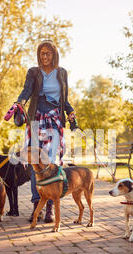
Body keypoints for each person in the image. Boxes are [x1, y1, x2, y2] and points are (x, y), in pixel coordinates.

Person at [15, 40, 76, 223]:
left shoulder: (62, 73)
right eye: (42, 53)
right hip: (36, 120)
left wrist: (70, 111)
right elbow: (26, 91)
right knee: (36, 162)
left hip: (54, 120)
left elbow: (64, 98)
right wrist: (20, 102)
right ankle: (37, 205)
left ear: (54, 54)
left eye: (48, 53)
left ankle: (49, 207)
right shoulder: (33, 72)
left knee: (50, 163)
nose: (45, 56)